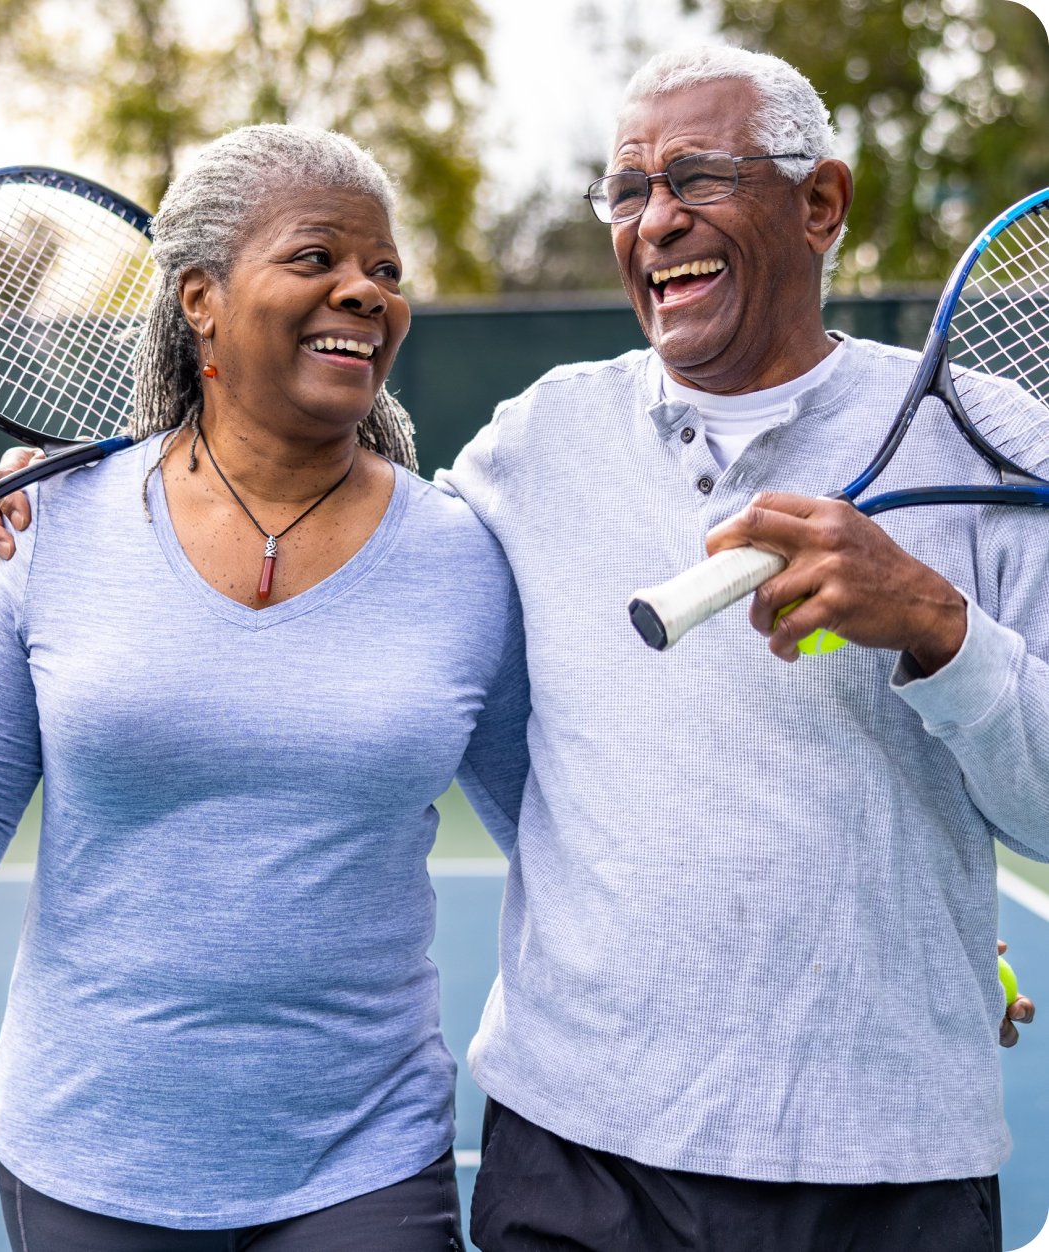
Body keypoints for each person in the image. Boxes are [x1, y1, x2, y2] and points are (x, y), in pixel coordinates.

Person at [0, 124, 529, 1250]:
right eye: (317, 259)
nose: (364, 291)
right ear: (200, 297)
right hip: (86, 1158)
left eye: (386, 272)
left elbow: (556, 836)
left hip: (362, 1163)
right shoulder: (44, 526)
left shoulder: (460, 556)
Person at [432, 46, 1040, 1252]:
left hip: (890, 1159)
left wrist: (934, 626)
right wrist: (101, 488)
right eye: (627, 190)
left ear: (819, 204)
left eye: (698, 178)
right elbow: (362, 553)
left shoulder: (1001, 441)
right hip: (574, 1152)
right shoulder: (536, 439)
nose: (656, 220)